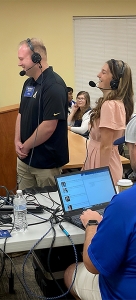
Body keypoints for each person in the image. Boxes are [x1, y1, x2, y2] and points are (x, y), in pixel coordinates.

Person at [64, 116, 136, 299]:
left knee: (71, 271)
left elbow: (93, 265)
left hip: (122, 293)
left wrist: (92, 224)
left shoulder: (124, 204)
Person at [15, 37, 69, 189]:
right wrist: (17, 141)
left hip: (46, 164)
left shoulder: (54, 86)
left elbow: (49, 126)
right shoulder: (28, 83)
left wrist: (25, 146)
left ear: (36, 58)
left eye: (21, 59)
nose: (19, 63)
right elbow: (21, 113)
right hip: (24, 160)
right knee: (25, 205)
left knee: (48, 209)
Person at [83, 59, 134, 184]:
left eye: (104, 72)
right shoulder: (115, 103)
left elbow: (106, 146)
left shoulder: (109, 105)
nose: (98, 75)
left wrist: (101, 178)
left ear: (115, 81)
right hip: (100, 160)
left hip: (103, 163)